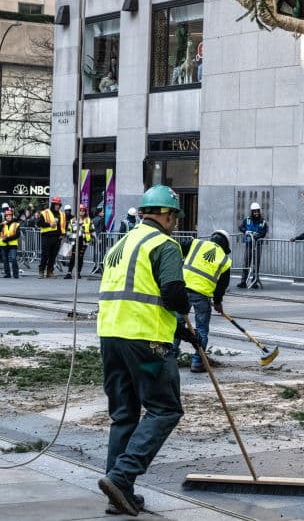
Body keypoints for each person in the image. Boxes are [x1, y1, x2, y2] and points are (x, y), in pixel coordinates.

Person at [96, 185, 194, 516]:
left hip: (111, 336)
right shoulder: (165, 245)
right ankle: (122, 477)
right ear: (166, 215)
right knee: (165, 409)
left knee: (124, 414)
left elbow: (137, 294)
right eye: (174, 217)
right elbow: (171, 292)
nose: (175, 223)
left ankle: (117, 493)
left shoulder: (121, 244)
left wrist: (180, 330)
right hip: (146, 342)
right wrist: (184, 310)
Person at [174, 229, 232, 373]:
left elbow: (175, 248)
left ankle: (171, 357)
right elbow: (221, 286)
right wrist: (218, 302)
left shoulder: (196, 243)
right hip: (202, 296)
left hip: (182, 290)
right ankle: (197, 362)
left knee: (175, 324)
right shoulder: (224, 259)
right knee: (201, 329)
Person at [236, 202, 268, 289]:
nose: (256, 213)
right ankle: (243, 281)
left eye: (257, 211)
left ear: (259, 211)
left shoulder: (263, 222)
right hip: (248, 244)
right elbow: (240, 227)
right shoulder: (247, 220)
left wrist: (255, 237)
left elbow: (263, 233)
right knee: (246, 263)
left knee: (256, 264)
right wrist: (245, 231)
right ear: (252, 212)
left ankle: (254, 282)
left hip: (257, 245)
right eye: (254, 212)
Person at [37, 196, 66, 279]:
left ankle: (50, 271)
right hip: (46, 236)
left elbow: (63, 225)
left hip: (57, 237)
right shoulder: (45, 212)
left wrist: (62, 234)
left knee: (53, 256)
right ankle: (41, 271)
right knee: (45, 255)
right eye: (56, 204)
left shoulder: (62, 214)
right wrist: (49, 224)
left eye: (58, 205)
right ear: (52, 204)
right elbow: (39, 223)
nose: (57, 206)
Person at [66, 204, 94, 279]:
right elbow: (69, 231)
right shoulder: (73, 220)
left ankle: (78, 273)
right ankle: (69, 273)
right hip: (75, 240)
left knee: (80, 257)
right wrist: (69, 239)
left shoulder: (88, 220)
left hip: (84, 241)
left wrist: (92, 238)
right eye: (80, 211)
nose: (82, 212)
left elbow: (92, 230)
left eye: (83, 211)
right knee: (73, 257)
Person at [0, 209, 20, 278]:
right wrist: (1, 224)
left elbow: (17, 235)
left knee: (13, 259)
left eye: (10, 216)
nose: (9, 217)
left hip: (12, 244)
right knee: (5, 260)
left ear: (12, 217)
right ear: (5, 217)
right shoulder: (3, 224)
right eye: (7, 216)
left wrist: (8, 239)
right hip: (4, 244)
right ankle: (7, 274)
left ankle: (16, 274)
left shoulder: (16, 224)